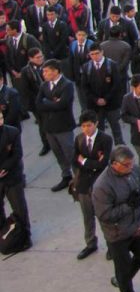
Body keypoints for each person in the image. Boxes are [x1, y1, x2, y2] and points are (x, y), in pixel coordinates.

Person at [92, 146, 140, 292]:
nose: (130, 167)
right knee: (123, 269)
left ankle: (121, 279)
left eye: (131, 164)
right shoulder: (102, 186)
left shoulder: (132, 170)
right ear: (114, 164)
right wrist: (129, 206)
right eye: (126, 165)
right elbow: (104, 214)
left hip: (137, 225)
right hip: (117, 234)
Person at [71, 111, 113, 260]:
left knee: (103, 217)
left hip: (99, 185)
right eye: (83, 126)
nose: (86, 129)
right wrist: (90, 163)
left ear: (96, 123)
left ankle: (111, 246)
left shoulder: (105, 139)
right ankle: (90, 243)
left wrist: (85, 162)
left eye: (89, 125)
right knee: (87, 216)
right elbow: (75, 160)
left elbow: (103, 163)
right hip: (83, 185)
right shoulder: (79, 139)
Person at [34, 59, 77, 192]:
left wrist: (47, 102)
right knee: (58, 153)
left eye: (46, 71)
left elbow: (62, 104)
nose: (44, 74)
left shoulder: (67, 85)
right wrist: (51, 102)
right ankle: (66, 175)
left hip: (63, 126)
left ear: (56, 71)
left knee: (70, 152)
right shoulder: (44, 86)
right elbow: (38, 104)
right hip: (49, 126)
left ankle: (79, 178)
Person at [0, 110, 30, 251]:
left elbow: (17, 154)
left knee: (19, 207)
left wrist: (5, 168)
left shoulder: (12, 132)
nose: (0, 121)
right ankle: (3, 234)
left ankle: (25, 236)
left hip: (12, 176)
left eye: (1, 117)